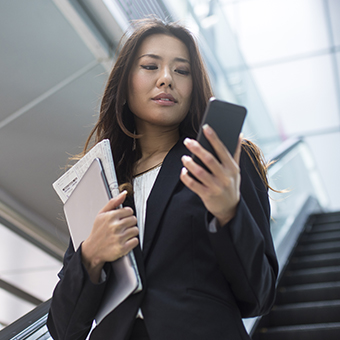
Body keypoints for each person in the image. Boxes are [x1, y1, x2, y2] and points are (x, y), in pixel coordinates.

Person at [47, 18, 278, 340]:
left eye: (182, 71)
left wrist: (229, 212)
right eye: (150, 66)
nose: (166, 79)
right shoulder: (100, 182)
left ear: (194, 87)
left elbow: (260, 295)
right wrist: (91, 255)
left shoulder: (225, 163)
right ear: (125, 85)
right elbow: (63, 329)